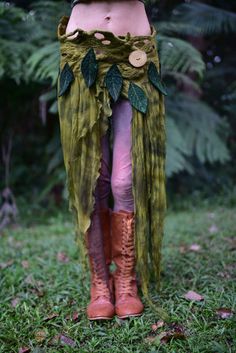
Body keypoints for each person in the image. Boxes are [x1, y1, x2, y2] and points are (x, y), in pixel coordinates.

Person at [57, 0, 167, 320]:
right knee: (93, 180)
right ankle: (100, 284)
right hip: (80, 52)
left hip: (135, 51)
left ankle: (126, 281)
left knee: (123, 180)